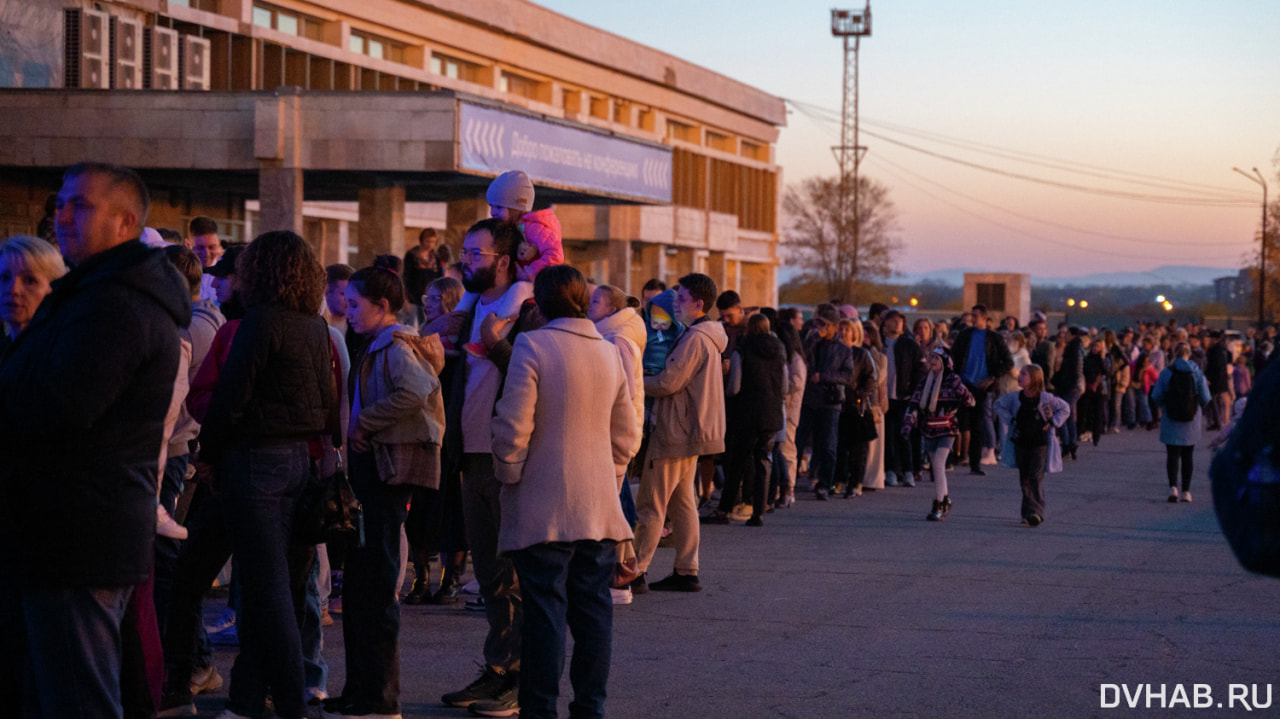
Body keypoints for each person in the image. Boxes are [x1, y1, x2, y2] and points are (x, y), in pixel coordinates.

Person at [0, 162, 190, 719]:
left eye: (79, 205)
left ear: (125, 220)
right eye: (60, 202)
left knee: (76, 700)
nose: (61, 215)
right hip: (66, 531)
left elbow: (57, 408)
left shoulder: (115, 304)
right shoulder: (95, 293)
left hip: (76, 534)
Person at [490, 265, 639, 719]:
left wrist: (509, 472)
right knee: (594, 612)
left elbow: (514, 425)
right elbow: (627, 434)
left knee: (545, 612)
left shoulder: (533, 345)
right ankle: (590, 707)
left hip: (544, 501)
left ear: (542, 301)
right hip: (598, 504)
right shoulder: (609, 352)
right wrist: (607, 471)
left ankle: (540, 709)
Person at [198, 230, 335, 719]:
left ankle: (291, 704)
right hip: (301, 461)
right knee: (279, 588)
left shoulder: (260, 323)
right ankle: (253, 698)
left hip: (256, 462)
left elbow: (230, 400)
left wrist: (208, 454)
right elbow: (328, 404)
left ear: (261, 272)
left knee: (267, 590)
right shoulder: (314, 326)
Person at [325, 259, 444, 719]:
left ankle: (380, 698)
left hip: (385, 474)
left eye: (356, 304)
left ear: (383, 305)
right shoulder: (379, 341)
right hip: (375, 473)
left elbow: (417, 389)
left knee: (374, 588)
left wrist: (364, 422)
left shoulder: (394, 344)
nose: (348, 311)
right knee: (361, 588)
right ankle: (361, 692)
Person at [440, 218, 536, 714]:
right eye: (464, 252)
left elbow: (533, 372)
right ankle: (497, 668)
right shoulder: (473, 304)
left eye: (476, 254)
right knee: (491, 575)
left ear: (503, 259)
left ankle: (520, 680)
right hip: (470, 455)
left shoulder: (528, 310)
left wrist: (496, 342)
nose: (466, 260)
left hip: (508, 459)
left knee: (514, 573)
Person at [633, 272, 727, 593]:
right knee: (682, 503)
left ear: (698, 304)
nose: (676, 306)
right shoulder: (707, 336)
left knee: (651, 504)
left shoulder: (696, 338)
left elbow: (668, 382)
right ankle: (687, 570)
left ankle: (634, 571)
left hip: (674, 430)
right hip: (690, 431)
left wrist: (631, 383)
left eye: (682, 299)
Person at [709, 312, 786, 525]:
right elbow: (785, 384)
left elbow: (734, 387)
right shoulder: (779, 350)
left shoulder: (742, 351)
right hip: (772, 413)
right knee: (764, 462)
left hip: (748, 413)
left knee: (738, 463)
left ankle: (724, 509)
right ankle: (758, 512)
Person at [903, 348, 975, 522]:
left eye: (937, 358)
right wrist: (907, 424)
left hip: (947, 428)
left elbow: (970, 400)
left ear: (945, 361)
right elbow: (913, 404)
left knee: (937, 463)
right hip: (929, 428)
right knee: (937, 468)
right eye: (931, 358)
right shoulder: (924, 382)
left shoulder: (953, 380)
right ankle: (946, 498)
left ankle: (938, 504)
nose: (933, 361)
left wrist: (961, 404)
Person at [994, 365, 1070, 527]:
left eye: (1024, 374)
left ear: (1034, 379)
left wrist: (1053, 422)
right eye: (1020, 374)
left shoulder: (1046, 398)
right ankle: (1027, 513)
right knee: (1025, 478)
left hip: (1039, 443)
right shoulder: (1015, 397)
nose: (1020, 377)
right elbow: (998, 405)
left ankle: (1037, 512)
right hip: (1021, 442)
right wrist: (1010, 419)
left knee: (1036, 476)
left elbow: (1065, 408)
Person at [950, 304, 1013, 474]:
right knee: (958, 423)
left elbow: (1008, 362)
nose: (972, 318)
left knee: (977, 426)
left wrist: (992, 378)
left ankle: (975, 464)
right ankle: (953, 457)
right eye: (972, 315)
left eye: (976, 315)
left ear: (985, 318)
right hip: (963, 385)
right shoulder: (964, 336)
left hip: (982, 387)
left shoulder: (994, 338)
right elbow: (953, 357)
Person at [1150, 342, 1211, 504]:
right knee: (1187, 455)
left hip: (1171, 418)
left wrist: (1166, 404)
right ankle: (1186, 491)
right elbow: (1206, 398)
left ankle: (1173, 488)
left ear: (1175, 354)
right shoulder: (1197, 373)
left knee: (1172, 454)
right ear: (1189, 354)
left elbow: (1156, 395)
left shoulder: (1166, 373)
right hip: (1191, 420)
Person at [486, 170, 563, 284]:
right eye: (491, 206)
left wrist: (530, 272)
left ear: (516, 208)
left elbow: (555, 255)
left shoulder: (534, 229)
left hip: (531, 286)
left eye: (499, 207)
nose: (493, 212)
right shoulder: (510, 229)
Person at [0, 235, 67, 353]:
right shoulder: (7, 347)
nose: (13, 290)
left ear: (53, 289)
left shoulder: (57, 354)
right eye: (5, 278)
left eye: (30, 281)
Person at [881, 310, 924, 488]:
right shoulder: (880, 343)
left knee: (903, 434)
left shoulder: (909, 345)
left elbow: (918, 374)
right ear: (886, 323)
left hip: (903, 397)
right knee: (887, 436)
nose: (898, 324)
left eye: (900, 321)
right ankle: (890, 471)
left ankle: (908, 471)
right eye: (894, 321)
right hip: (884, 397)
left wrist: (915, 399)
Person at [771, 307, 807, 508]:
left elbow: (796, 382)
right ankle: (782, 488)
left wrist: (780, 388)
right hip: (785, 408)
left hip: (790, 409)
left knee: (787, 450)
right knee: (782, 449)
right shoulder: (793, 357)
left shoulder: (795, 359)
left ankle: (789, 488)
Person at [188, 215, 222, 303]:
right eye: (200, 248)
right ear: (190, 245)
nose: (206, 254)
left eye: (211, 247)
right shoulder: (182, 275)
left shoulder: (225, 277)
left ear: (218, 244)